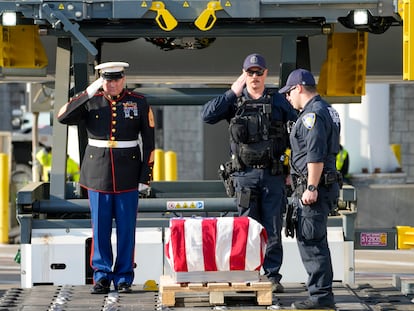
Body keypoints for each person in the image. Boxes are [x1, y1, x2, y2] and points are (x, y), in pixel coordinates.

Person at [202, 53, 297, 293]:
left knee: (273, 227)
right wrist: (232, 91)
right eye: (250, 72)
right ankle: (248, 273)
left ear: (266, 74)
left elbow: (297, 130)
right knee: (246, 227)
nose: (254, 77)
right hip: (244, 177)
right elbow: (207, 115)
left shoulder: (278, 101)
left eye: (258, 72)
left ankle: (273, 275)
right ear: (244, 74)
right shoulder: (234, 102)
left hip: (273, 175)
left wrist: (293, 170)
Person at [57, 61, 155, 294]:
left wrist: (145, 176)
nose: (112, 84)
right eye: (107, 80)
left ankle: (123, 276)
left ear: (124, 79)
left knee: (126, 228)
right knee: (99, 227)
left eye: (116, 79)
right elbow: (63, 116)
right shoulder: (91, 100)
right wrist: (89, 90)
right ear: (101, 80)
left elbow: (150, 142)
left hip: (128, 173)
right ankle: (101, 275)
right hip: (97, 172)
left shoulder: (138, 102)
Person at [279, 68, 340, 309]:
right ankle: (321, 294)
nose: (287, 98)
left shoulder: (311, 116)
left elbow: (315, 155)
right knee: (316, 241)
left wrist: (311, 186)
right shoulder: (329, 110)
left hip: (315, 187)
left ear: (299, 88)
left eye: (289, 92)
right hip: (324, 184)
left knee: (312, 242)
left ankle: (320, 298)